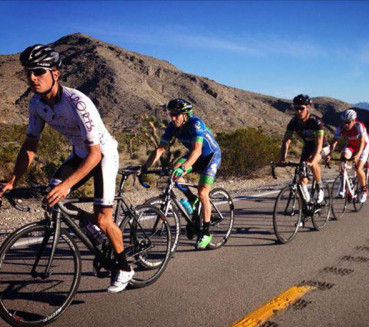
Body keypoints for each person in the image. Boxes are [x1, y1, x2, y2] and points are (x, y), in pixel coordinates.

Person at [0, 44, 133, 293]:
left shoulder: (77, 102)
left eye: (38, 71)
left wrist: (68, 184)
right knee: (51, 200)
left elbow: (95, 154)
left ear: (55, 73)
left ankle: (124, 267)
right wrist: (13, 181)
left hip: (102, 155)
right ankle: (92, 228)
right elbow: (30, 146)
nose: (32, 78)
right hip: (80, 153)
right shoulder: (36, 105)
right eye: (28, 72)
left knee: (104, 218)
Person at [141, 98, 221, 250]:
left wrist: (183, 168)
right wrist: (144, 168)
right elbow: (160, 149)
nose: (172, 117)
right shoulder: (172, 127)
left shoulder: (195, 124)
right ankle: (192, 200)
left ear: (186, 114)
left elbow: (197, 150)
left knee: (203, 192)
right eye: (170, 114)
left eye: (176, 114)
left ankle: (206, 232)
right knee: (173, 172)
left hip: (210, 156)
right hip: (194, 156)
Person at [279, 94, 327, 204]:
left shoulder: (316, 121)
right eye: (296, 108)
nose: (298, 111)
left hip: (322, 147)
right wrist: (282, 158)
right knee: (302, 178)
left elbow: (319, 143)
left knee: (313, 162)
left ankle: (320, 188)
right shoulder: (294, 122)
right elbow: (286, 141)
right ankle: (307, 204)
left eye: (301, 108)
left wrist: (312, 160)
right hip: (308, 147)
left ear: (308, 108)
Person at [330, 108, 369, 203]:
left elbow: (361, 142)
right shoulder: (340, 128)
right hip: (351, 145)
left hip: (363, 146)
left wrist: (357, 155)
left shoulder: (359, 126)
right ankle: (343, 187)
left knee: (358, 168)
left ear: (353, 120)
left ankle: (364, 190)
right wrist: (329, 153)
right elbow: (334, 142)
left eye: (348, 122)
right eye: (344, 122)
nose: (346, 125)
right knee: (343, 159)